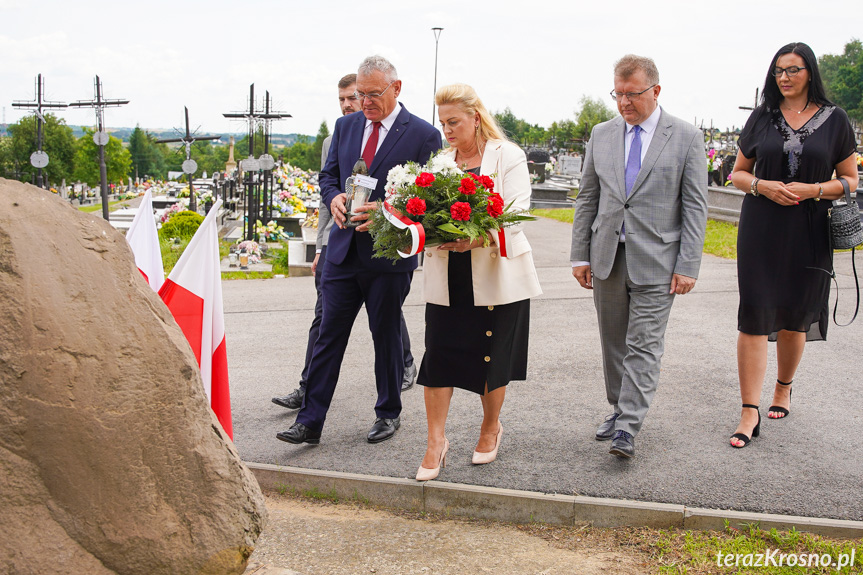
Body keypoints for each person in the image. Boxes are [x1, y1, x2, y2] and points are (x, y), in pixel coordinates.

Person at [276, 55, 441, 445]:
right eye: (360, 94)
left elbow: (427, 198)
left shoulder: (422, 134)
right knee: (327, 336)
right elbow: (328, 175)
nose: (364, 102)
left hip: (386, 256)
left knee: (385, 336)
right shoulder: (345, 126)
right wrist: (333, 197)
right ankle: (310, 421)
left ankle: (387, 413)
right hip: (342, 251)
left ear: (396, 89)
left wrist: (388, 211)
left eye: (372, 94)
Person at [570, 54, 708, 459]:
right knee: (613, 342)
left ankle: (628, 426)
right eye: (618, 94)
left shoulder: (685, 137)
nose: (625, 102)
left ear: (656, 91)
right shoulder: (602, 133)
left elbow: (695, 206)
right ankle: (618, 408)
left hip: (659, 261)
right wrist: (580, 255)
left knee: (644, 345)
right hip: (607, 256)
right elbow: (588, 198)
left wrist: (688, 265)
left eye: (633, 94)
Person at [728, 42, 859, 448]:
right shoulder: (762, 117)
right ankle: (750, 410)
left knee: (794, 315)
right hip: (760, 227)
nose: (784, 77)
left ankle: (783, 387)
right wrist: (763, 186)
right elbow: (737, 174)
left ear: (810, 73)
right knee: (754, 313)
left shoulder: (837, 120)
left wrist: (816, 188)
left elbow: (851, 181)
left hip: (809, 229)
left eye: (793, 70)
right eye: (779, 70)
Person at [415, 84, 542, 481]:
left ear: (475, 116)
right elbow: (423, 214)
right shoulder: (439, 163)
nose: (448, 130)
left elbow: (518, 209)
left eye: (454, 121)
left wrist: (479, 234)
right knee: (437, 357)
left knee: (491, 357)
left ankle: (491, 428)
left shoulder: (509, 155)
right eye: (443, 123)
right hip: (448, 274)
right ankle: (436, 441)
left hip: (496, 274)